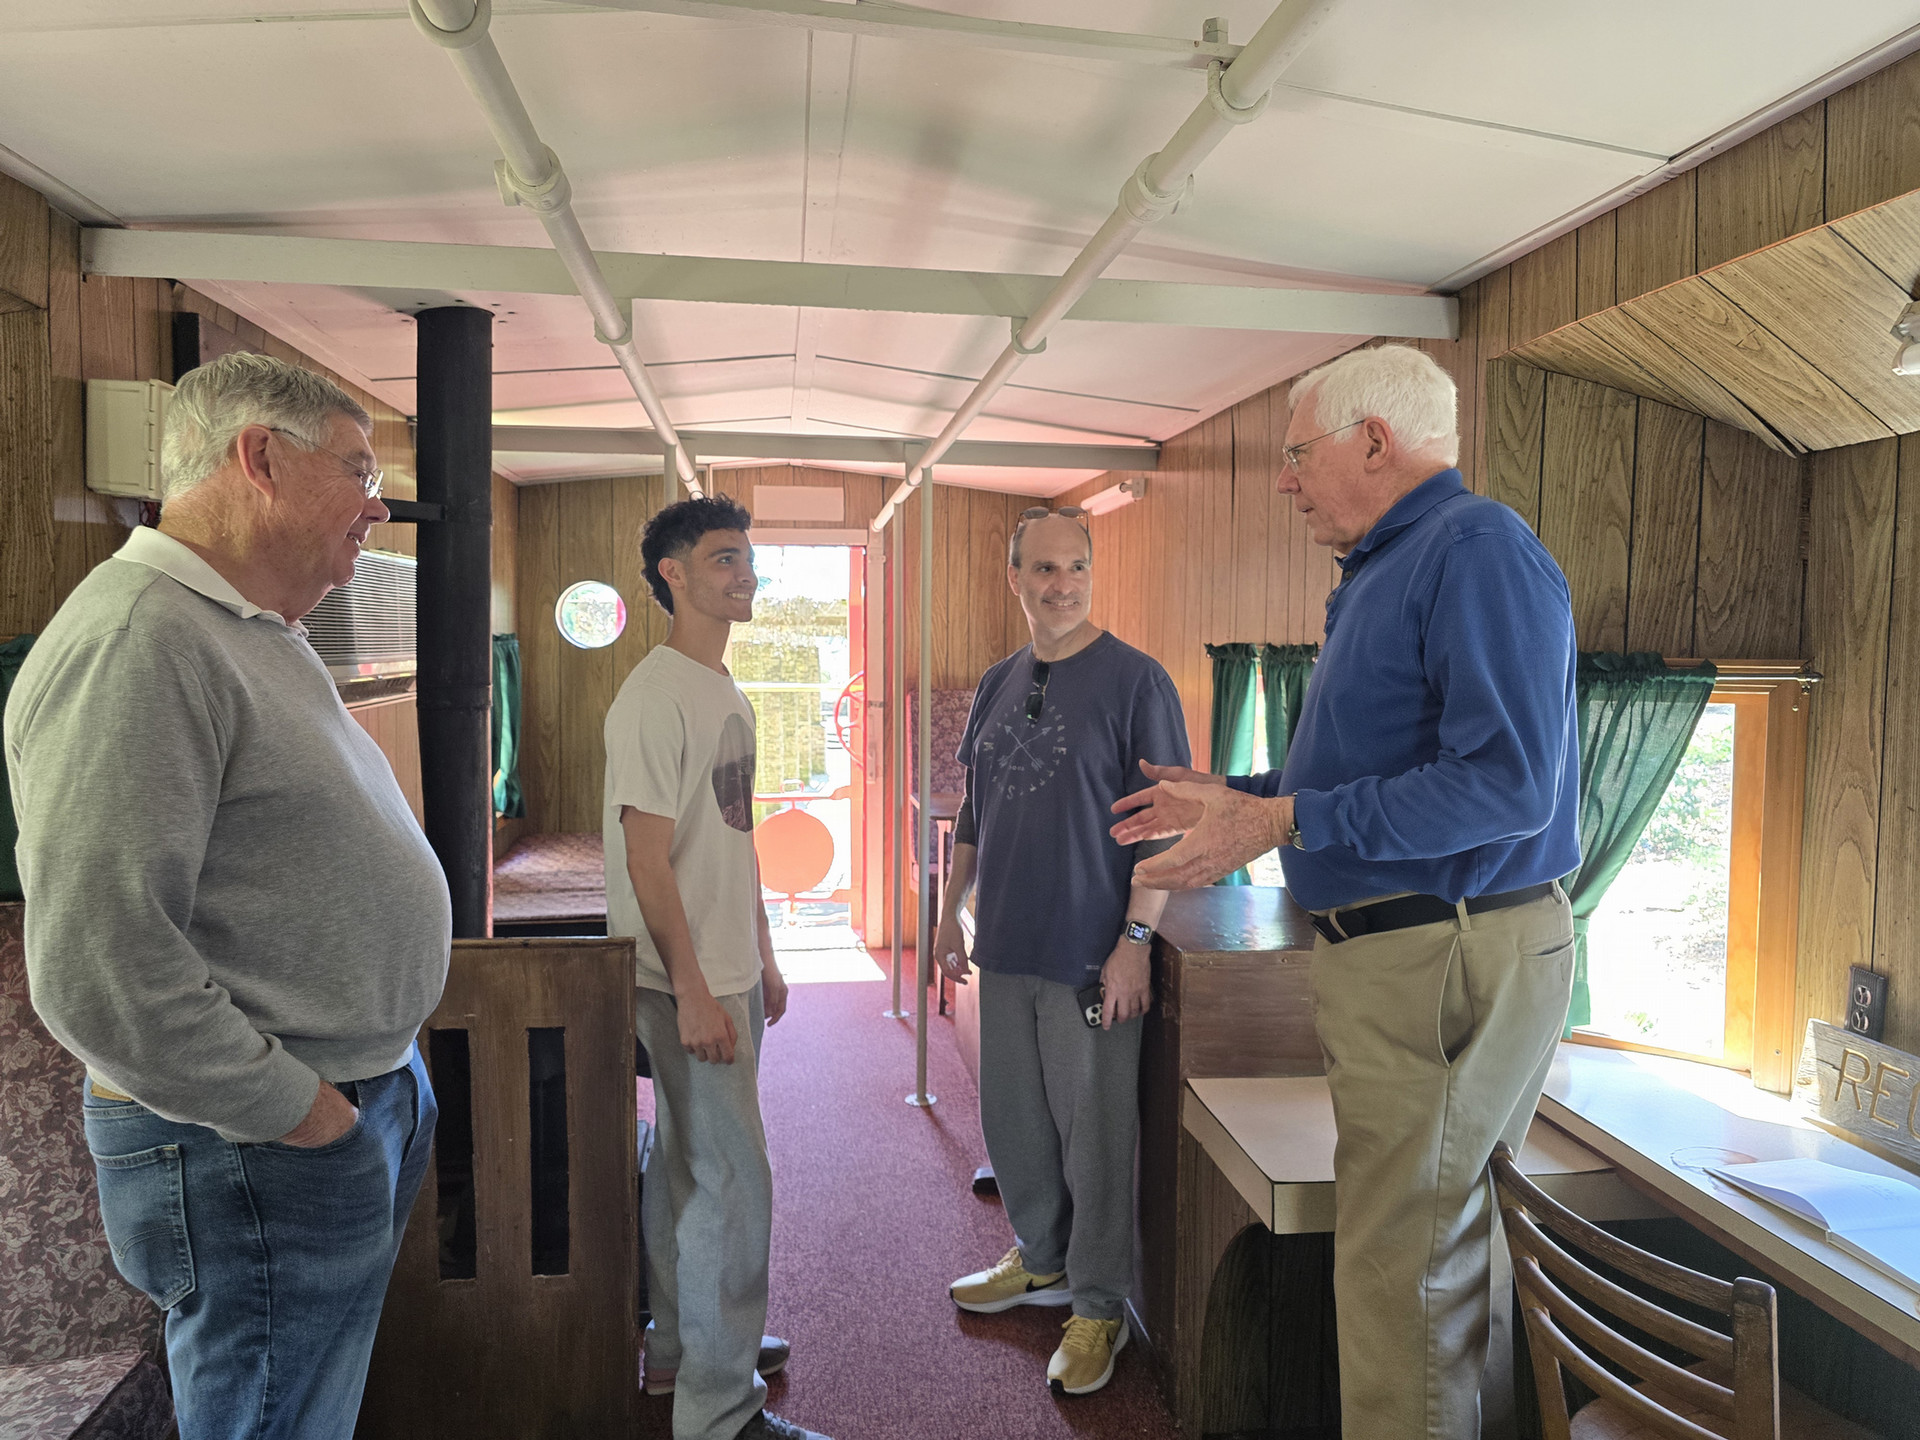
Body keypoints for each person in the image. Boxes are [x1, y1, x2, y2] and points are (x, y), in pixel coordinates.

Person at [1112, 344, 1580, 1440]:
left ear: (1377, 442)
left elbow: (1508, 786)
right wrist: (1240, 795)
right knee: (1424, 1266)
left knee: (1403, 1274)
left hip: (1447, 952)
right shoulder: (1389, 565)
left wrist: (1279, 821)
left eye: (1296, 454)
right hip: (1407, 953)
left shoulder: (1476, 550)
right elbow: (1366, 775)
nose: (1283, 481)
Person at [6, 352, 450, 1440]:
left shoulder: (252, 627)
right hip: (252, 1140)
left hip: (335, 1100)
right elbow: (102, 968)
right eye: (356, 469)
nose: (377, 504)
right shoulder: (137, 640)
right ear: (259, 457)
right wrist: (304, 1114)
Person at [933, 507, 1191, 1397]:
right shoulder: (1001, 680)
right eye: (1043, 568)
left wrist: (1134, 943)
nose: (1062, 584)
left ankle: (1099, 1308)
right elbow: (973, 811)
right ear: (1015, 578)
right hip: (1003, 944)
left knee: (1096, 1139)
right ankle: (1040, 1260)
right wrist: (946, 911)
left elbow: (1165, 832)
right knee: (1014, 1124)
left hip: (1090, 953)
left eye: (1076, 566)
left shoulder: (1137, 682)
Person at [604, 495, 824, 1440]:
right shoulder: (654, 695)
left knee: (688, 1173)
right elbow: (646, 859)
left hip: (728, 967)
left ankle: (684, 1355)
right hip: (682, 980)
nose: (746, 576)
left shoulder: (722, 690)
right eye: (725, 559)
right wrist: (695, 987)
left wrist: (766, 954)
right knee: (734, 1184)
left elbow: (733, 840)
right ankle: (722, 1410)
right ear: (675, 575)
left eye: (750, 561)